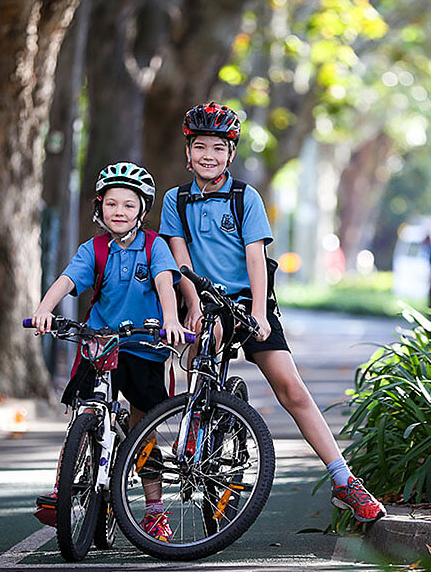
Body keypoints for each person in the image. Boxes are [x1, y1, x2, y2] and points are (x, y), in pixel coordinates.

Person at [158, 102, 386, 523]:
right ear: (187, 152)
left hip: (249, 300)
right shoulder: (176, 199)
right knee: (197, 356)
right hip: (206, 301)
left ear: (230, 153)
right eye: (200, 146)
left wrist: (259, 313)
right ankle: (199, 430)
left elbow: (256, 259)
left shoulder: (246, 197)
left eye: (218, 148)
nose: (209, 155)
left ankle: (344, 481)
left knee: (291, 388)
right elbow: (180, 261)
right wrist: (192, 303)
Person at [31, 162, 188, 542]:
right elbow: (68, 280)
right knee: (84, 411)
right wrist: (44, 309)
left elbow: (166, 285)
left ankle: (154, 510)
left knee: (143, 427)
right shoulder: (94, 248)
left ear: (142, 210)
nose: (119, 212)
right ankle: (63, 488)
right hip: (101, 341)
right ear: (99, 208)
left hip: (144, 346)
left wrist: (170, 319)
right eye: (112, 204)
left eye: (129, 205)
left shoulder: (154, 246)